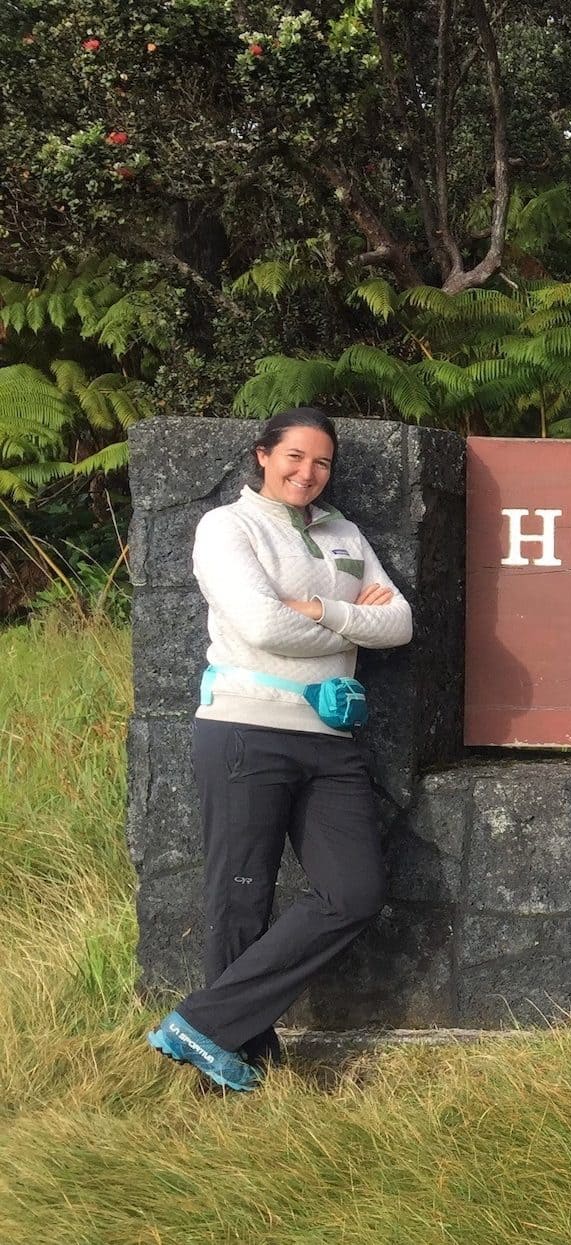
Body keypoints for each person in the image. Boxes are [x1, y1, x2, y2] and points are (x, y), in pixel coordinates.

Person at [147, 408, 412, 1092]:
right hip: (245, 731)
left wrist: (322, 612)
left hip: (329, 739)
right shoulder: (227, 528)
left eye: (322, 462)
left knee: (354, 891)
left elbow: (400, 622)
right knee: (241, 898)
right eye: (295, 455)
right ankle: (236, 1069)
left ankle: (198, 1023)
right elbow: (263, 625)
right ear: (263, 454)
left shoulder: (343, 533)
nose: (308, 472)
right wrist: (356, 624)